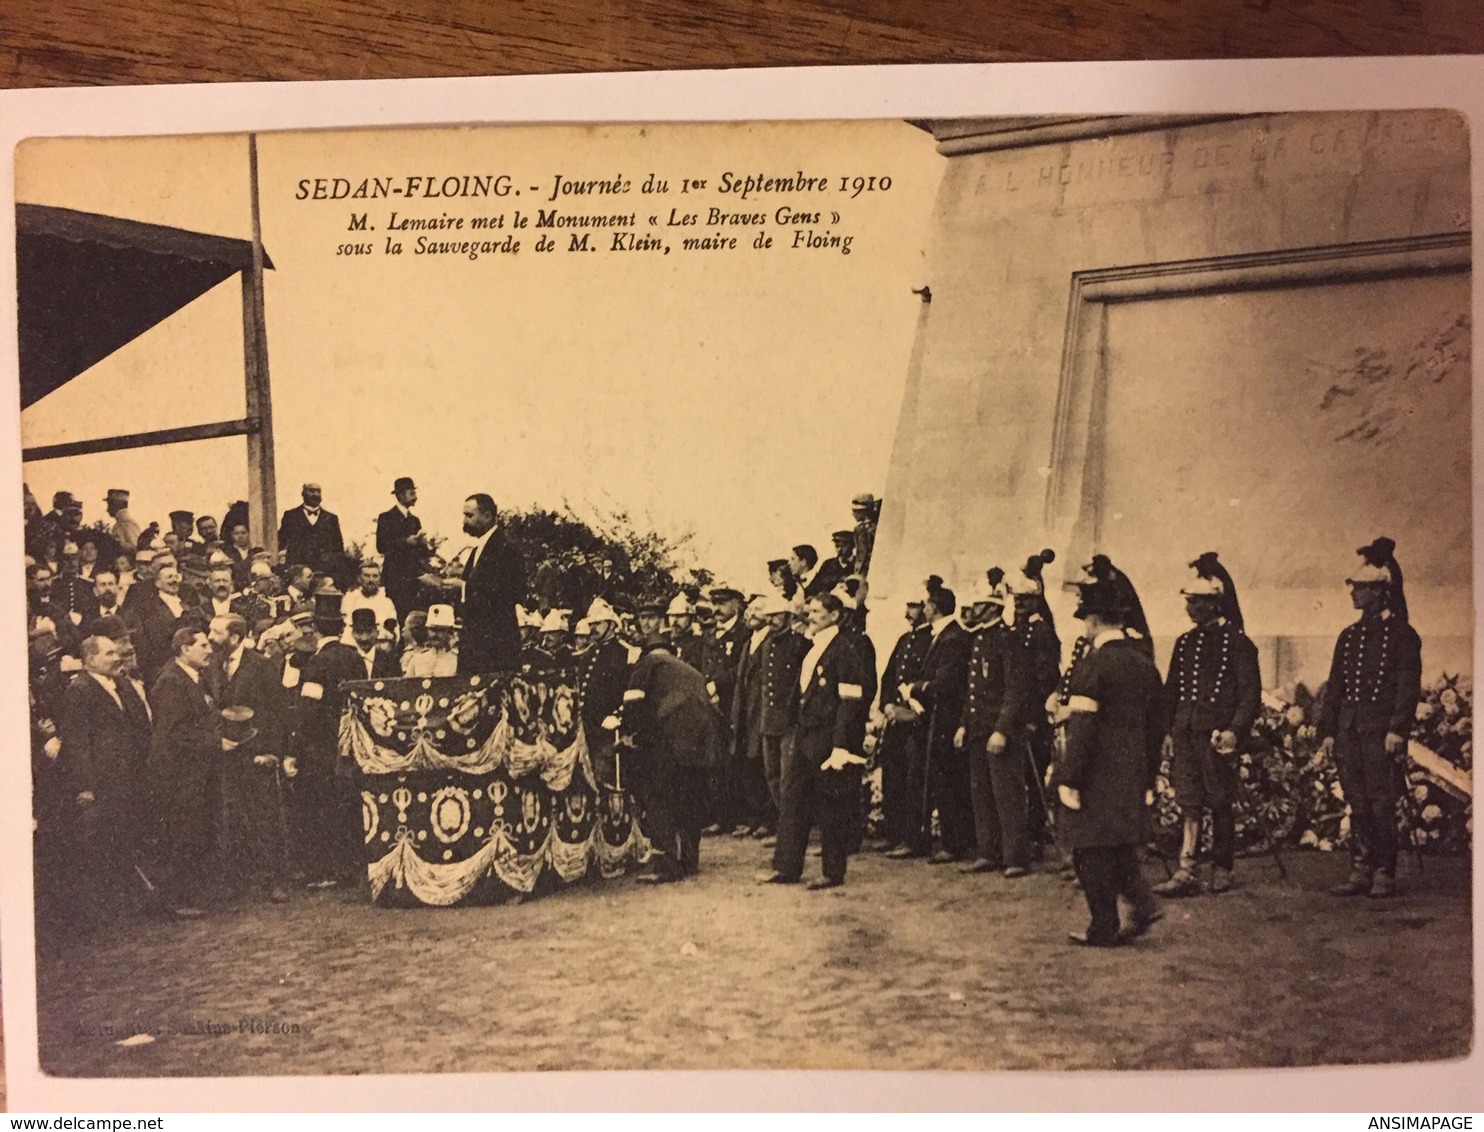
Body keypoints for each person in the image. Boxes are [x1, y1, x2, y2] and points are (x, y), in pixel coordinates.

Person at [1053, 573, 1165, 948]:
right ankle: (1143, 904)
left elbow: (1083, 729)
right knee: (1117, 845)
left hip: (1097, 772)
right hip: (1132, 768)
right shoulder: (1143, 663)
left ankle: (1103, 926)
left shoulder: (1094, 665)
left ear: (1094, 621)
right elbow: (1156, 723)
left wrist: (1069, 778)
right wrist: (1147, 773)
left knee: (1089, 851)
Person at [1317, 537, 1423, 900]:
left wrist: (1397, 729)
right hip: (1349, 731)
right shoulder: (1348, 637)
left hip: (1380, 733)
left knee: (1381, 802)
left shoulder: (1403, 635)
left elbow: (1407, 688)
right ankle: (1360, 869)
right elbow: (1335, 688)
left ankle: (1383, 871)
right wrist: (1329, 731)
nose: (1353, 595)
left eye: (1360, 589)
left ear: (1379, 592)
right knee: (1357, 801)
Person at [1154, 553, 1262, 898]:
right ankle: (1187, 868)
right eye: (1189, 601)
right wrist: (1168, 731)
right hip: (1186, 732)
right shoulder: (1184, 643)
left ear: (1214, 604)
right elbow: (1172, 692)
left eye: (1197, 602)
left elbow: (1249, 695)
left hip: (1216, 736)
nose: (1190, 608)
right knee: (1189, 800)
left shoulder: (1237, 642)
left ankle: (1222, 866)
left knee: (1219, 800)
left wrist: (1234, 730)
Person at [759, 593, 871, 889]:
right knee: (793, 800)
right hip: (805, 735)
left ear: (834, 616)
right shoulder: (812, 648)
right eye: (809, 610)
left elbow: (850, 703)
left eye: (818, 611)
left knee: (830, 804)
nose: (810, 615)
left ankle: (832, 872)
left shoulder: (844, 651)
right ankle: (787, 866)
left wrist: (840, 746)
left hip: (828, 737)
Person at [612, 611, 726, 883]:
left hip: (668, 744)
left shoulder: (647, 664)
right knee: (689, 802)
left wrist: (629, 736)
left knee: (658, 801)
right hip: (700, 745)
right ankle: (689, 861)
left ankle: (666, 866)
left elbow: (633, 703)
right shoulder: (691, 670)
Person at [55, 634, 153, 928]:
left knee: (124, 839)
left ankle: (127, 905)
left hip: (127, 778)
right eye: (109, 653)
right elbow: (77, 742)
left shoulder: (121, 684)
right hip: (101, 783)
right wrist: (86, 786)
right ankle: (98, 912)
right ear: (91, 659)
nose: (116, 657)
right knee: (99, 845)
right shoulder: (79, 690)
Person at [208, 615, 291, 904]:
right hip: (225, 753)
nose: (209, 637)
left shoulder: (261, 666)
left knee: (265, 816)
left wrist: (271, 752)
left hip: (256, 752)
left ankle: (275, 880)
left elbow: (277, 711)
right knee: (231, 817)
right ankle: (237, 882)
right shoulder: (211, 664)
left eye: (215, 632)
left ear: (234, 637)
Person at [956, 577, 1032, 877]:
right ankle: (988, 851)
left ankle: (1015, 857)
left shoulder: (1007, 638)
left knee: (1007, 793)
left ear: (990, 608)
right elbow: (973, 689)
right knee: (981, 791)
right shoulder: (979, 639)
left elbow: (1016, 689)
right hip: (978, 728)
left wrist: (1002, 729)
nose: (972, 611)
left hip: (999, 731)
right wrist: (964, 724)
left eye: (977, 606)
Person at [897, 576, 974, 863]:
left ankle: (953, 844)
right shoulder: (938, 635)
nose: (923, 609)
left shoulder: (954, 638)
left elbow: (945, 682)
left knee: (945, 782)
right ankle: (918, 839)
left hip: (944, 720)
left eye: (927, 604)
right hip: (930, 719)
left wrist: (915, 688)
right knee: (921, 777)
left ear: (934, 607)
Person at [148, 626, 221, 918]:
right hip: (179, 777)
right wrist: (216, 742)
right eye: (202, 645)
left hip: (197, 774)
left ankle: (189, 896)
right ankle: (175, 902)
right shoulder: (171, 683)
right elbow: (173, 733)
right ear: (184, 649)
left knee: (194, 832)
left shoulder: (195, 678)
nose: (209, 650)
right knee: (181, 834)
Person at [1006, 549, 1062, 859]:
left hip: (1034, 718)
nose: (1019, 606)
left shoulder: (1041, 633)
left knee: (1034, 775)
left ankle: (1037, 836)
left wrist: (1031, 717)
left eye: (1025, 602)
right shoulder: (1016, 631)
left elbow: (1044, 680)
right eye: (1016, 601)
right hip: (1015, 715)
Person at [874, 597, 932, 854]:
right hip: (895, 719)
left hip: (916, 720)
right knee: (892, 776)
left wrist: (910, 711)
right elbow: (889, 676)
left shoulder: (932, 640)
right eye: (907, 606)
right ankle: (893, 833)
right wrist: (887, 705)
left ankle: (912, 837)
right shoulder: (904, 640)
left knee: (913, 780)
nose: (909, 612)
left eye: (915, 606)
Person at [447, 494, 524, 675]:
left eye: (469, 515)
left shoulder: (506, 548)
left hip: (496, 645)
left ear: (488, 516)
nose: (464, 521)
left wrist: (464, 587)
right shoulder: (476, 551)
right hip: (475, 644)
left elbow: (509, 592)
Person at [574, 598, 630, 787]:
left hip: (610, 732)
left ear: (612, 624)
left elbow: (631, 694)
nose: (593, 627)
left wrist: (618, 716)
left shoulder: (626, 654)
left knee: (608, 782)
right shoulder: (587, 655)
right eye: (591, 624)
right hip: (587, 731)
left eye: (598, 623)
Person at [124, 558, 187, 686]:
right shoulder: (148, 609)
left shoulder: (187, 605)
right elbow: (143, 643)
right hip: (161, 670)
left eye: (176, 576)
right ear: (158, 583)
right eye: (169, 577)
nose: (174, 580)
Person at [376, 476, 425, 621]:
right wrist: (407, 542)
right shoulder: (386, 518)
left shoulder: (415, 520)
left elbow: (419, 552)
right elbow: (381, 546)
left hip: (412, 578)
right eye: (412, 493)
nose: (415, 497)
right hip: (394, 578)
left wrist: (425, 545)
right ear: (401, 495)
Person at [277, 483, 345, 573]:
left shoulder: (331, 518)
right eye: (311, 491)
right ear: (303, 493)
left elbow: (338, 547)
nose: (315, 495)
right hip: (298, 570)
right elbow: (281, 541)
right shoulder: (290, 516)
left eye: (318, 491)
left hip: (324, 570)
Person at [342, 558, 400, 645]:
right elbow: (347, 626)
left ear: (380, 579)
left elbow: (393, 630)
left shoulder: (386, 602)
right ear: (359, 578)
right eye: (366, 575)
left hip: (380, 645)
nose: (371, 580)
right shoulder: (350, 599)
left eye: (375, 576)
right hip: (355, 644)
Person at [401, 603, 460, 677]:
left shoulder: (457, 661)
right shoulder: (417, 659)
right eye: (432, 629)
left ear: (450, 632)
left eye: (440, 630)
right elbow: (407, 686)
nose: (434, 634)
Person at [850, 493, 881, 577]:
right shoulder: (858, 529)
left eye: (855, 511)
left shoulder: (878, 527)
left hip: (875, 569)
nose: (853, 514)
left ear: (863, 511)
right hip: (860, 571)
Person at [104, 488, 141, 552]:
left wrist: (114, 543)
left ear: (116, 503)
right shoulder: (120, 523)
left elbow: (135, 547)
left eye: (110, 504)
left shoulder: (128, 523)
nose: (107, 509)